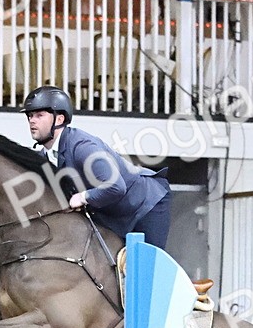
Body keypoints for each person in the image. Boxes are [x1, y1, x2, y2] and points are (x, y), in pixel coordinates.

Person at [22, 86, 172, 250]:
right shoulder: (45, 156)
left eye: (39, 115)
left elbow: (116, 186)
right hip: (111, 214)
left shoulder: (82, 147)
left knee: (146, 269)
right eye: (30, 115)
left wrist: (83, 197)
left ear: (59, 119)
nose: (32, 120)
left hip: (145, 205)